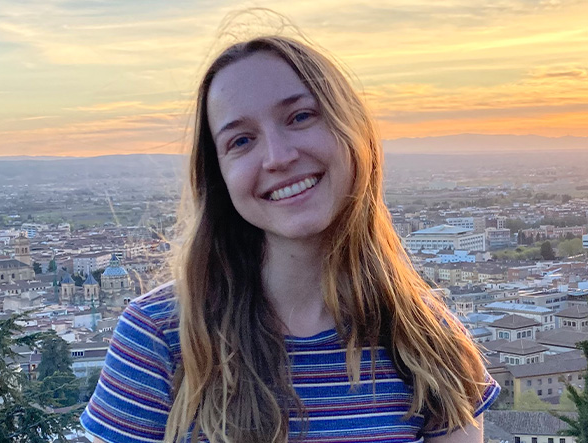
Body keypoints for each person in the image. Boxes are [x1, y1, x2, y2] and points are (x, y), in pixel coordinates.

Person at [81, 35, 500, 443]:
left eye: (300, 116)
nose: (278, 157)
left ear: (353, 131)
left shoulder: (426, 337)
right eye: (241, 141)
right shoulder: (160, 337)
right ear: (220, 177)